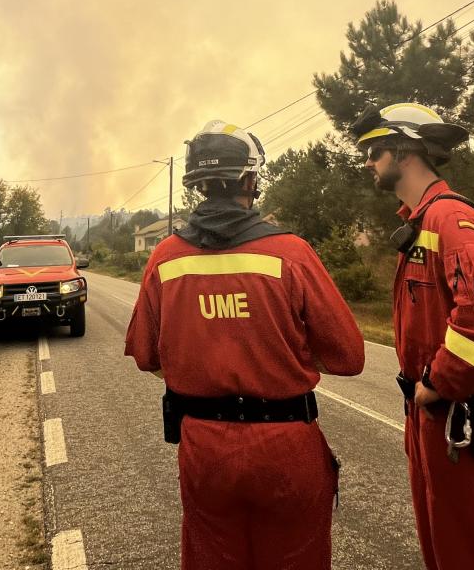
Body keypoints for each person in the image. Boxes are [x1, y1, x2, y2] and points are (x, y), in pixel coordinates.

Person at [125, 120, 366, 570]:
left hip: (204, 447)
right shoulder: (291, 253)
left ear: (197, 185)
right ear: (251, 179)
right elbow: (349, 358)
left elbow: (145, 355)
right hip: (287, 445)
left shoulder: (165, 257)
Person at [351, 103, 474, 570]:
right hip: (432, 414)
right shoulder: (421, 220)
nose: (368, 161)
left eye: (374, 150)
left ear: (403, 149)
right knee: (445, 549)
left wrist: (440, 383)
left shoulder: (450, 218)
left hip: (460, 415)